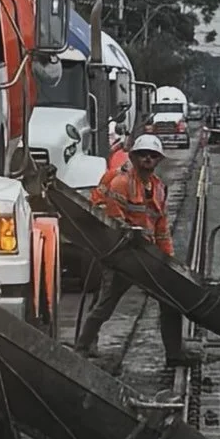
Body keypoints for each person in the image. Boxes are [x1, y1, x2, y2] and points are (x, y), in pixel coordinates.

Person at [76, 134, 184, 366]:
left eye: (152, 156)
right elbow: (115, 222)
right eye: (143, 154)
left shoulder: (157, 188)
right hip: (123, 255)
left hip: (147, 255)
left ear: (158, 160)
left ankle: (174, 354)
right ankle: (82, 347)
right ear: (133, 157)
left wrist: (169, 259)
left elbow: (161, 227)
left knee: (171, 301)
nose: (148, 158)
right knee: (105, 305)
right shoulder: (121, 183)